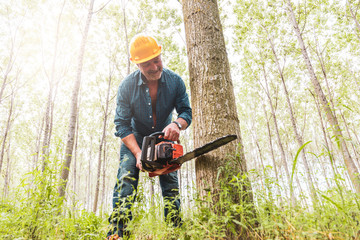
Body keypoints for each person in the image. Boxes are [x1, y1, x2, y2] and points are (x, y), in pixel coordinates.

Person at [107, 34, 192, 239]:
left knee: (170, 186)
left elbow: (186, 113)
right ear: (136, 64)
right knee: (126, 181)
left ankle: (174, 231)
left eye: (157, 60)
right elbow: (121, 125)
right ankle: (117, 233)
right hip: (134, 139)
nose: (154, 67)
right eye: (147, 64)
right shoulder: (126, 86)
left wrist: (176, 125)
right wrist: (138, 154)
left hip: (164, 137)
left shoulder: (175, 81)